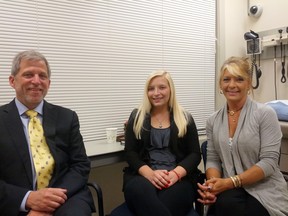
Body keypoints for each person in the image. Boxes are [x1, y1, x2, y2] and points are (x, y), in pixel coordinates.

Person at [0, 50, 95, 216]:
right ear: (12, 81)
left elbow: (80, 164)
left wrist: (50, 198)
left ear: (48, 83)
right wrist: (28, 199)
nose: (36, 81)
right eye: (28, 74)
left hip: (65, 195)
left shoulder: (67, 117)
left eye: (42, 76)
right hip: (14, 200)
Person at [197, 56, 288, 216]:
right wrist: (212, 186)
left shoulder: (265, 114)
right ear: (220, 84)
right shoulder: (213, 120)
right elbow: (212, 158)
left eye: (239, 79)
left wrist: (230, 182)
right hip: (228, 187)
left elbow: (269, 162)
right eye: (226, 79)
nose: (232, 85)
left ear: (249, 84)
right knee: (223, 206)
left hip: (264, 188)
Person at [123, 70, 201, 216]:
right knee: (142, 194)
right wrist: (150, 174)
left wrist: (176, 174)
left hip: (178, 179)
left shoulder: (185, 117)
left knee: (157, 204)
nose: (156, 93)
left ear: (171, 89)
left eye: (162, 87)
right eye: (151, 88)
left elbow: (195, 154)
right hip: (142, 177)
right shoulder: (137, 116)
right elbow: (130, 153)